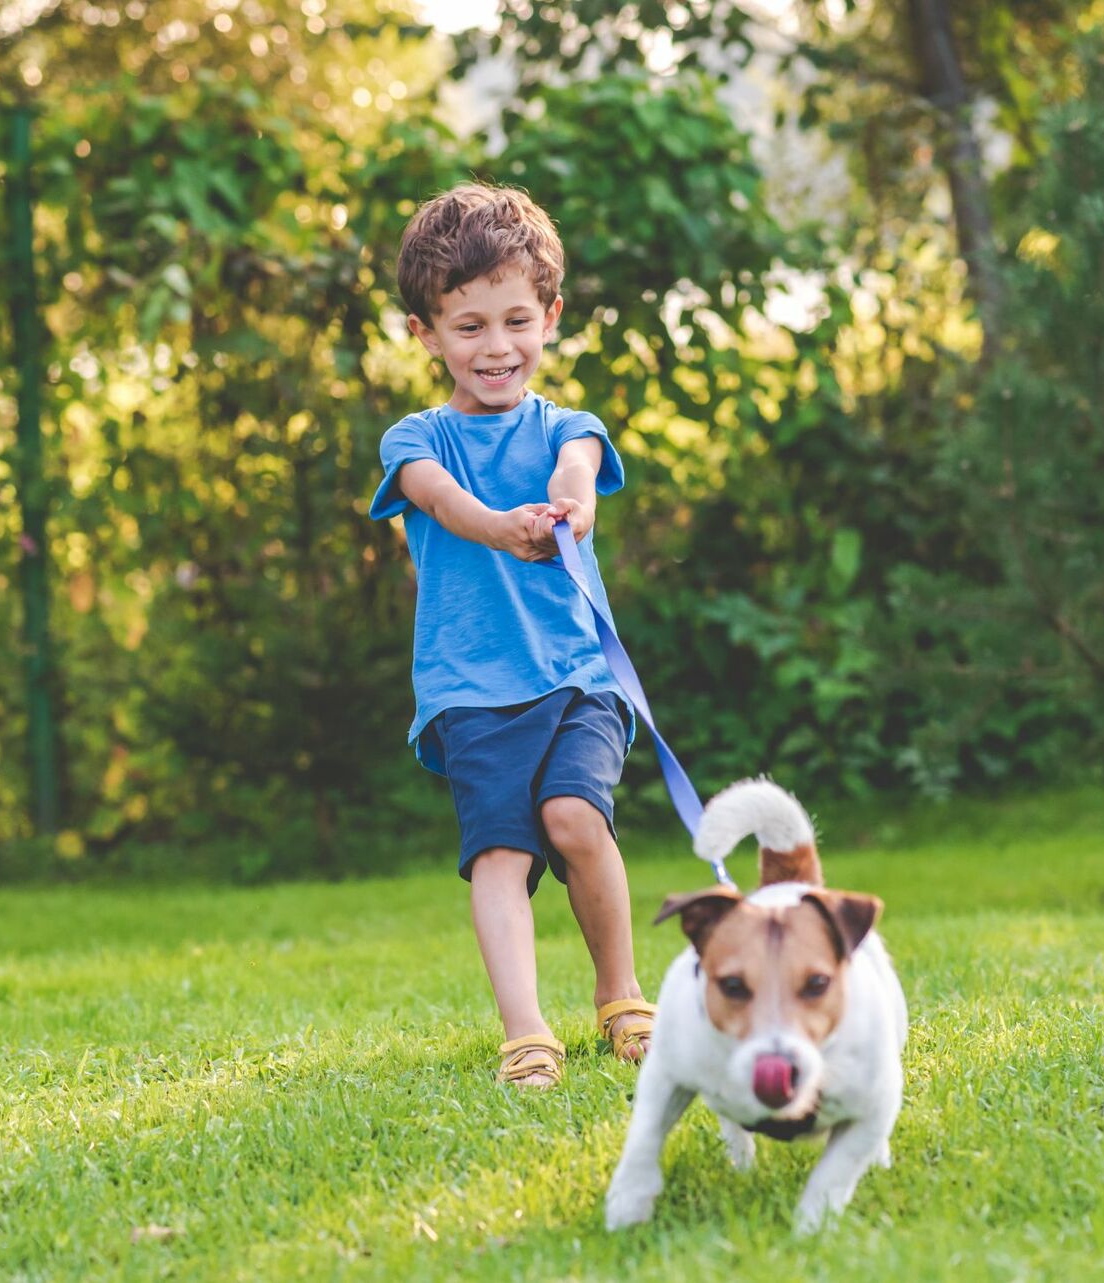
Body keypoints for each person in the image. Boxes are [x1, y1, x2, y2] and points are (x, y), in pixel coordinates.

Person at [367, 182, 654, 1089]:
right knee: (502, 850)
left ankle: (621, 996)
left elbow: (578, 477)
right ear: (424, 332)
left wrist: (567, 510)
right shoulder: (415, 440)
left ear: (551, 316)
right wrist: (502, 526)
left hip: (575, 674)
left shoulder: (572, 427)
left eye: (516, 321)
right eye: (469, 327)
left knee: (574, 819)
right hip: (470, 690)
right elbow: (442, 505)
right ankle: (526, 1030)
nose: (497, 348)